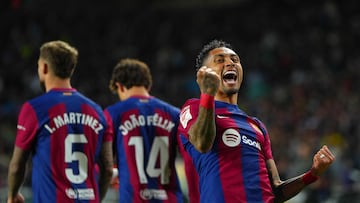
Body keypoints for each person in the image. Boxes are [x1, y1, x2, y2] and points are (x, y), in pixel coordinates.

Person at [177, 39, 335, 203]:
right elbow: (202, 143)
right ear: (205, 72)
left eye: (235, 60)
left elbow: (276, 191)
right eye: (220, 60)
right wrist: (207, 94)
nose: (231, 63)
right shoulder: (193, 108)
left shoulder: (256, 126)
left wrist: (313, 174)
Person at [7, 40, 113, 203]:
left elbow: (17, 166)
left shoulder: (35, 108)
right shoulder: (97, 111)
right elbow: (107, 167)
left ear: (44, 67)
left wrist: (12, 195)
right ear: (71, 69)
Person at [104, 58, 183, 202]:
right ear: (148, 85)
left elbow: (105, 163)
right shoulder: (174, 114)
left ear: (120, 87)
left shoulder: (113, 114)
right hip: (170, 198)